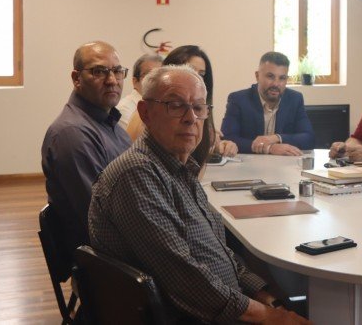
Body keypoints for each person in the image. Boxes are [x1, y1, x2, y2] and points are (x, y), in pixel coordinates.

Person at [88, 65, 308, 324]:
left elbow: (217, 250)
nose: (191, 118)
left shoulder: (179, 168)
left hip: (223, 306)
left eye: (199, 107)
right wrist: (271, 317)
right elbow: (186, 278)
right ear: (145, 113)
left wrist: (266, 297)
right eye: (175, 105)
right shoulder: (136, 174)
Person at [41, 41, 132, 251]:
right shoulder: (72, 134)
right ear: (76, 78)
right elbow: (101, 217)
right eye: (99, 72)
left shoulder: (110, 124)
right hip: (105, 261)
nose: (112, 80)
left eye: (117, 71)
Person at [126, 45, 238, 163]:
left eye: (202, 74)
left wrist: (218, 146)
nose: (197, 79)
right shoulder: (144, 119)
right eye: (176, 106)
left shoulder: (197, 120)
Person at [222, 51, 315, 156]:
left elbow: (309, 138)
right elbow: (228, 139)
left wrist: (276, 138)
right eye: (270, 76)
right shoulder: (238, 99)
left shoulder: (295, 99)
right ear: (257, 76)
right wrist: (269, 148)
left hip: (284, 167)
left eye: (282, 78)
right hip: (248, 167)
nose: (276, 83)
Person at [116, 53, 162, 129]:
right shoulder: (124, 110)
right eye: (149, 75)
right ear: (135, 81)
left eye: (160, 75)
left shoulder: (160, 105)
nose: (157, 80)